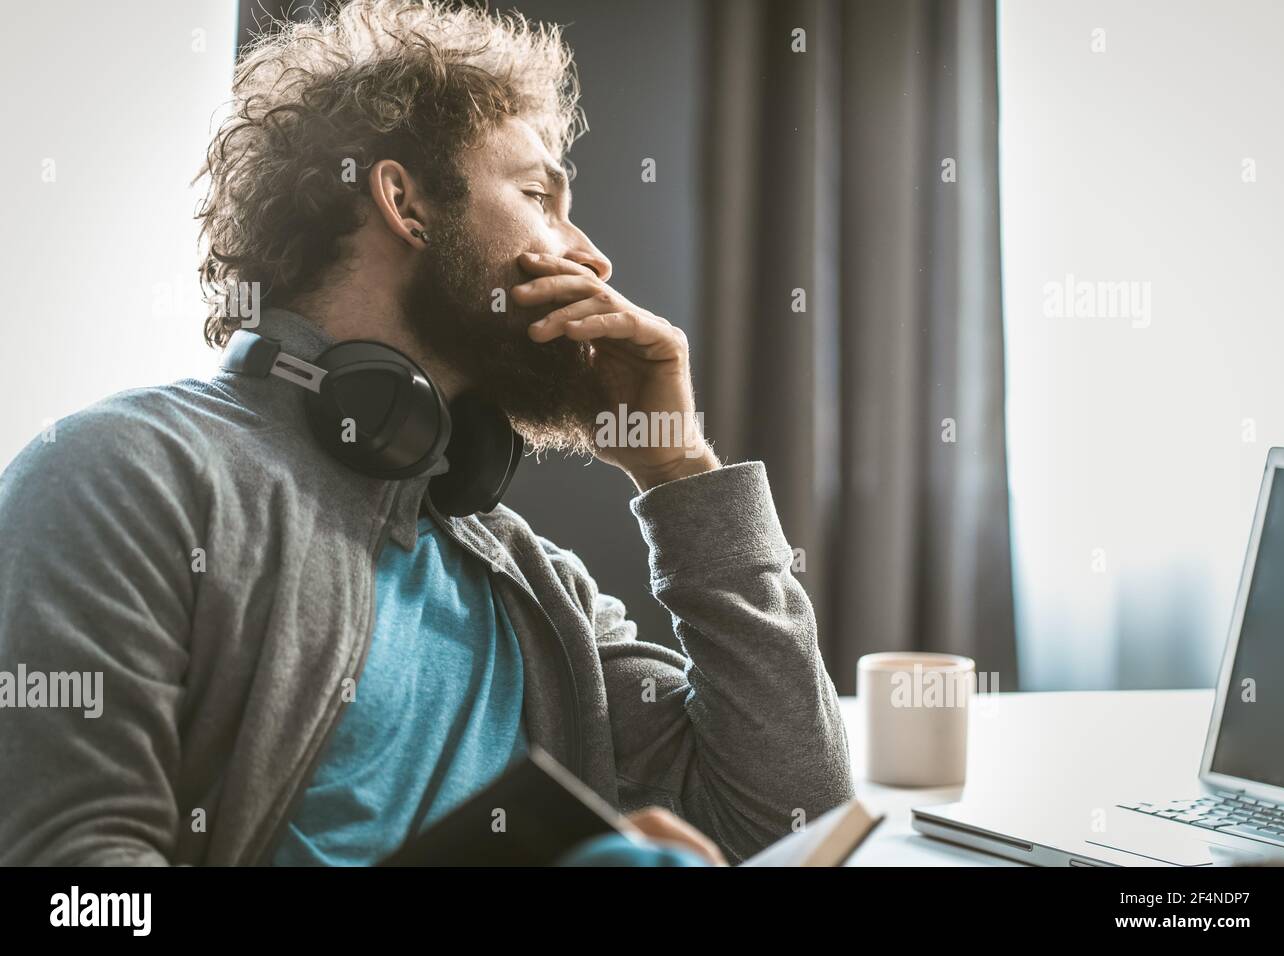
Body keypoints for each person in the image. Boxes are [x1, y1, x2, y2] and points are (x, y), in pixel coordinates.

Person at [0, 0, 852, 866]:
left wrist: (680, 470)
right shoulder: (125, 472)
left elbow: (787, 823)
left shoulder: (532, 585)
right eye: (537, 197)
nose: (591, 255)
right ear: (404, 201)